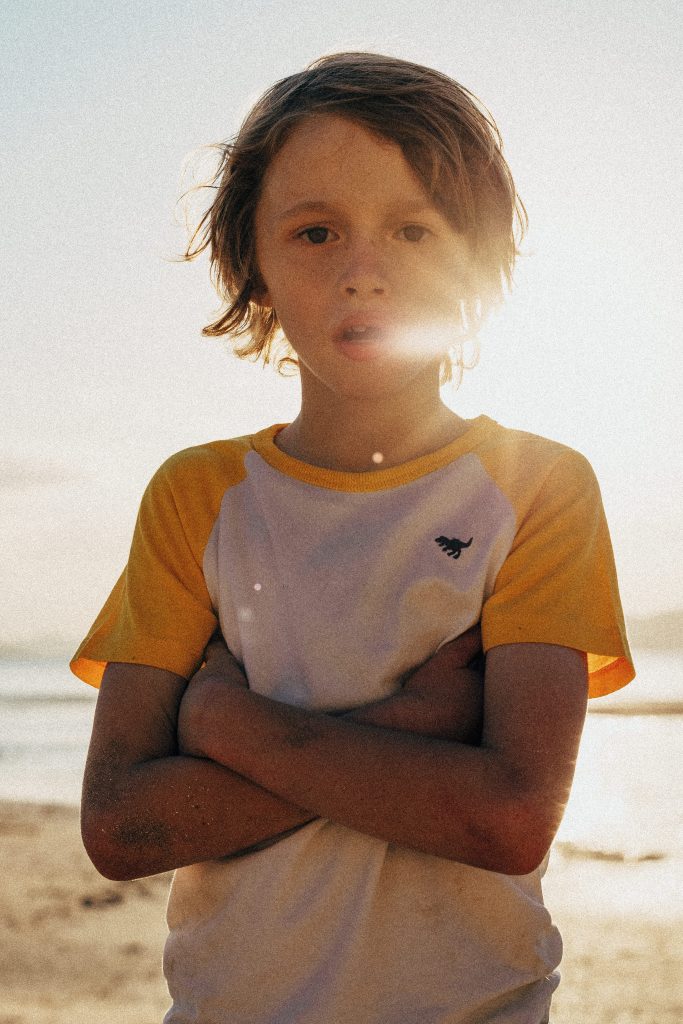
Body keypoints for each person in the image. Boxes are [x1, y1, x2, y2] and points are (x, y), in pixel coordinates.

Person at [71, 52, 634, 1024]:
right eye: (315, 231)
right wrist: (416, 728)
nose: (362, 271)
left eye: (412, 229)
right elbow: (123, 824)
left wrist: (229, 727)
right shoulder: (198, 496)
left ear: (476, 258)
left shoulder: (537, 488)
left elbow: (502, 817)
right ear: (252, 262)